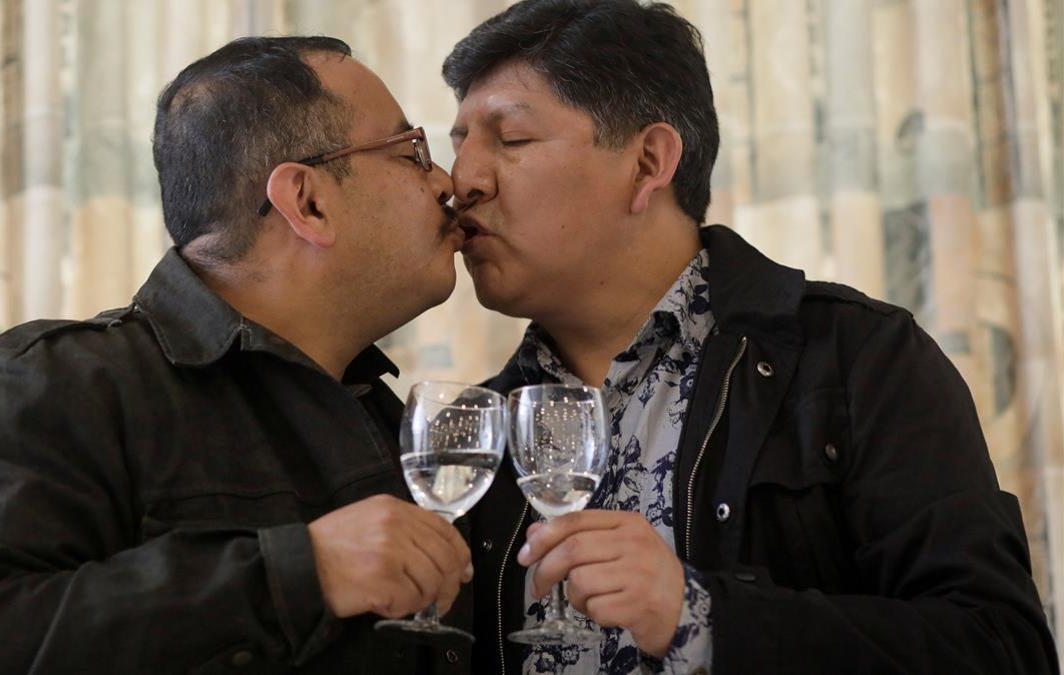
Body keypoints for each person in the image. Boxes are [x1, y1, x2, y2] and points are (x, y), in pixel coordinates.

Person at [442, 1, 1058, 673]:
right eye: (458, 143)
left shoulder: (857, 360)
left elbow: (1003, 649)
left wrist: (704, 617)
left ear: (648, 162)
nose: (462, 181)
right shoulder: (474, 432)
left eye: (511, 139)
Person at [0, 36, 477, 674]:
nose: (447, 182)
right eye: (411, 152)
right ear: (308, 200)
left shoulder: (392, 416)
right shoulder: (57, 384)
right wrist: (296, 574)